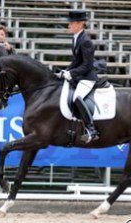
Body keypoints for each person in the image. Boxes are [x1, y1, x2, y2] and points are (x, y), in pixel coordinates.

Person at [57, 10, 99, 143]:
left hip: (87, 77)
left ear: (81, 24)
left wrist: (72, 73)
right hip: (80, 75)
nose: (69, 26)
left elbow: (87, 65)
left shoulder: (86, 41)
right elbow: (76, 61)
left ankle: (92, 130)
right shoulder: (76, 38)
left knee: (76, 97)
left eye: (72, 23)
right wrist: (66, 71)